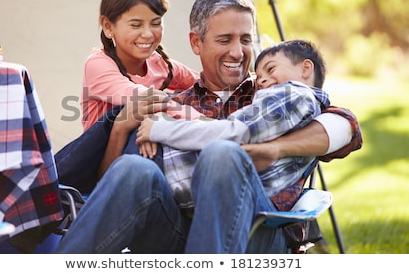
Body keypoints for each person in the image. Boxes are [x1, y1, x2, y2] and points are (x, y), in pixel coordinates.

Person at [55, 0, 362, 254]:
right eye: (224, 39)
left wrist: (276, 148)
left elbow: (347, 125)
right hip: (177, 232)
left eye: (245, 39)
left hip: (259, 232)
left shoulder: (270, 92)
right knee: (134, 169)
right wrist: (121, 129)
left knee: (222, 153)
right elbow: (109, 186)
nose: (237, 51)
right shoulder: (174, 104)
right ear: (196, 43)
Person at [135, 39, 330, 216]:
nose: (260, 81)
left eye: (271, 69)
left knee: (125, 142)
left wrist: (159, 129)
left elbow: (233, 131)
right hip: (186, 189)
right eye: (259, 75)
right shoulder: (302, 111)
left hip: (178, 176)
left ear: (306, 68)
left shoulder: (294, 94)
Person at [54, 0, 199, 193]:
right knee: (134, 114)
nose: (148, 34)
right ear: (108, 26)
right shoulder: (98, 64)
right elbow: (142, 97)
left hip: (140, 158)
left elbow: (202, 82)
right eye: (136, 24)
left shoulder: (160, 64)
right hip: (98, 169)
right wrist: (201, 121)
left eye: (156, 23)